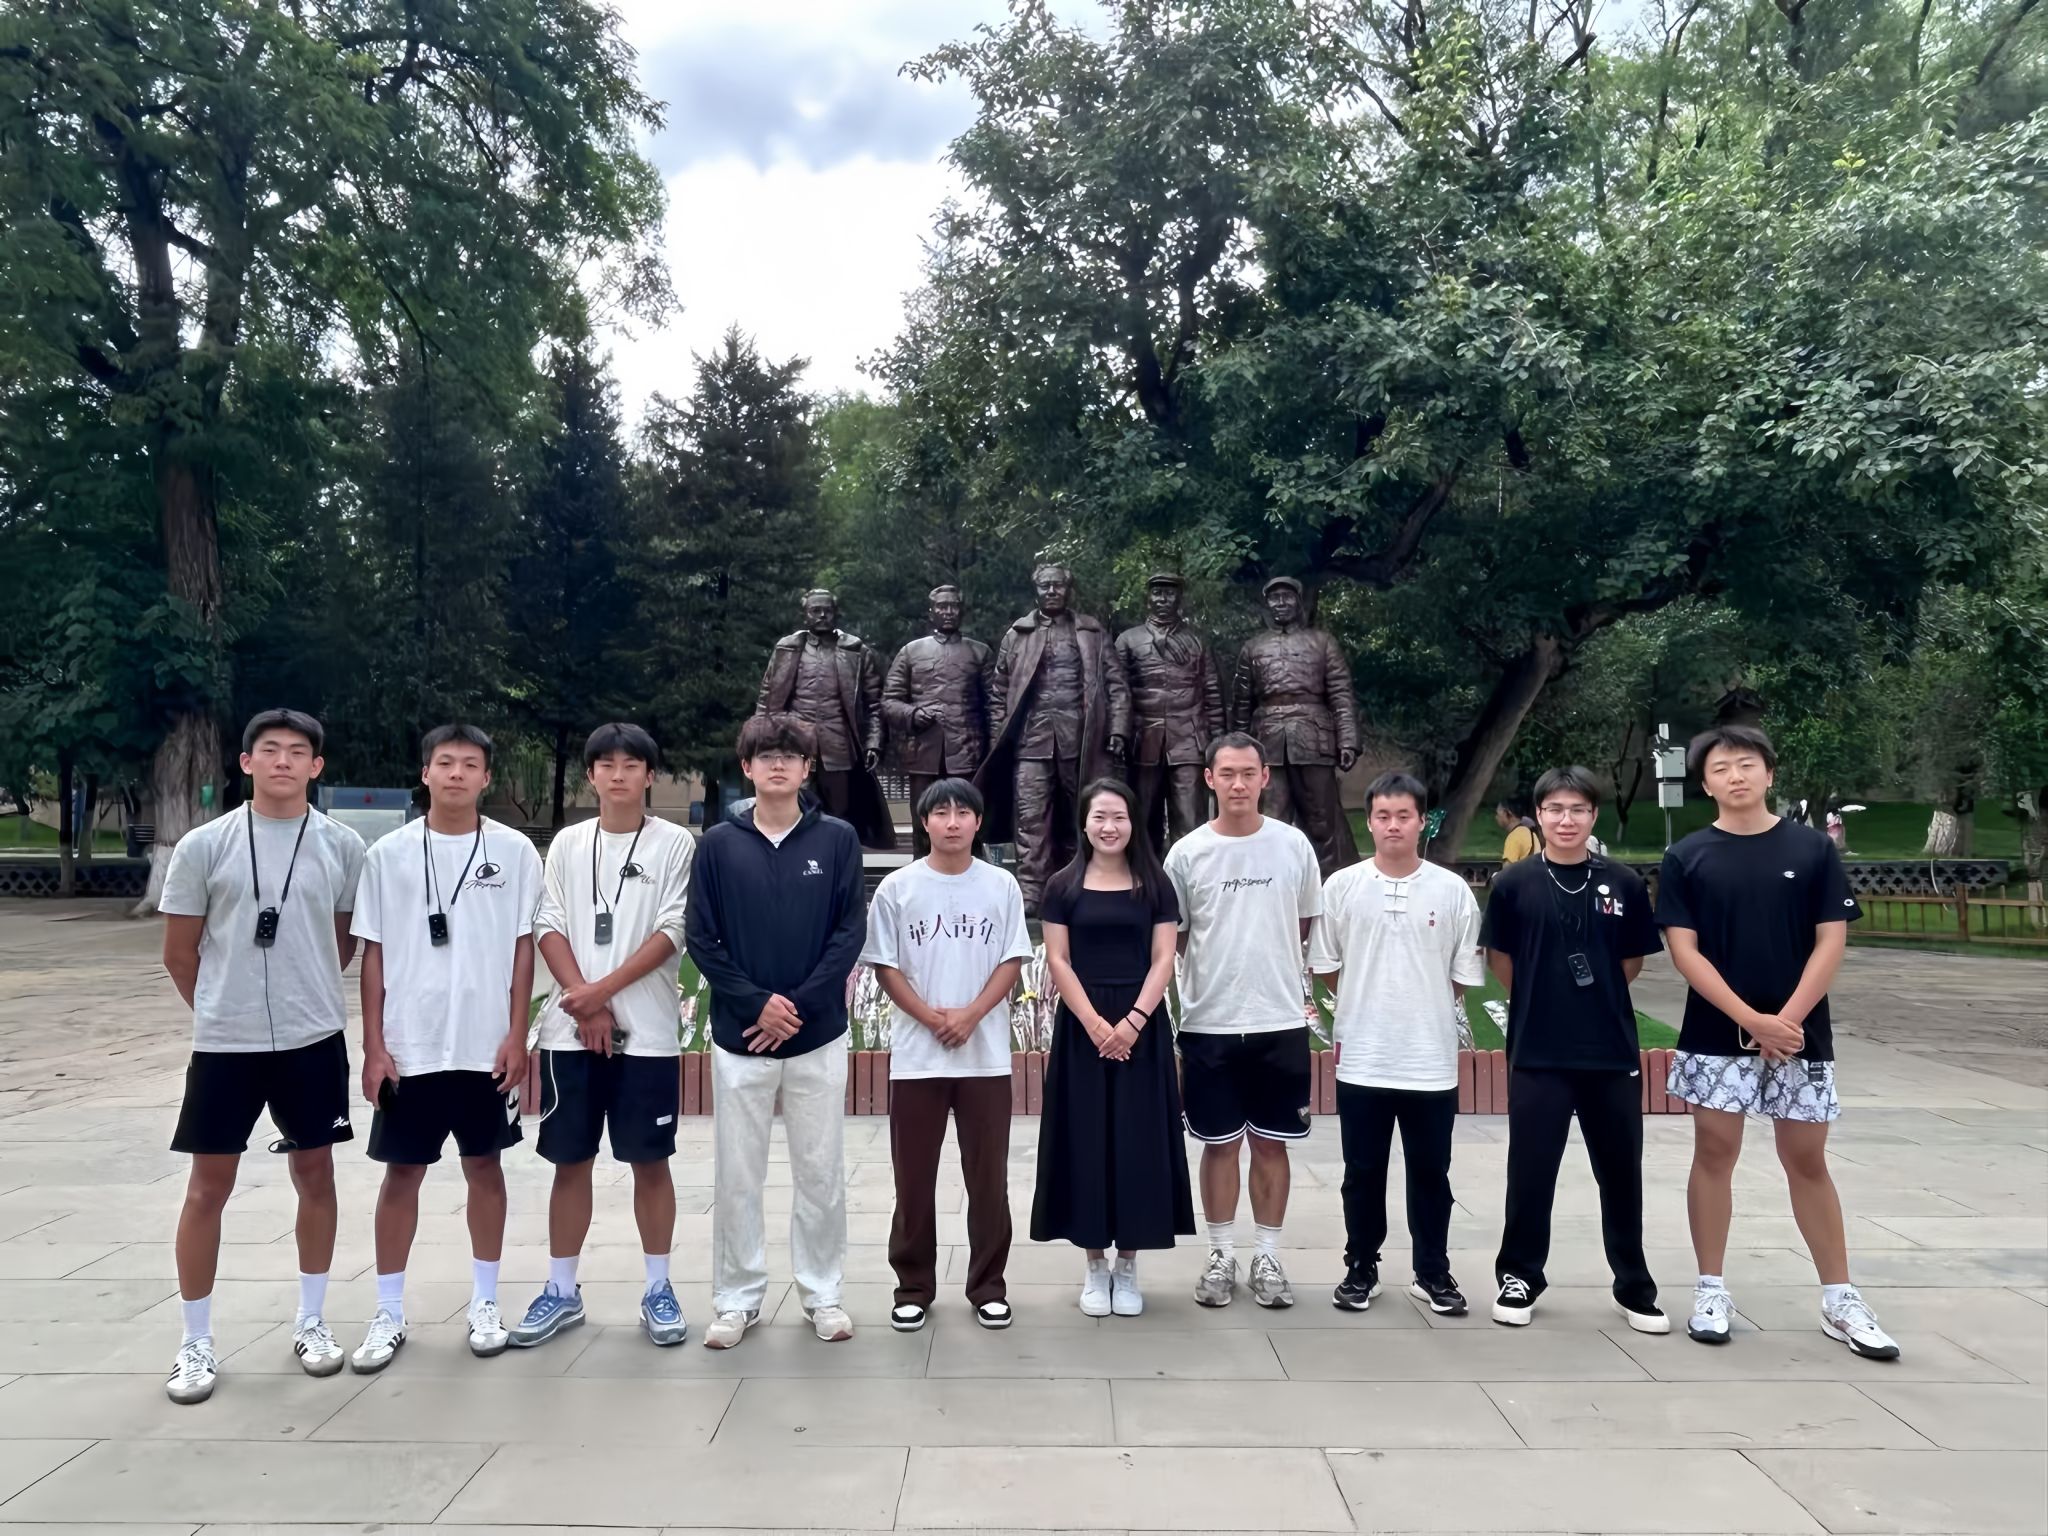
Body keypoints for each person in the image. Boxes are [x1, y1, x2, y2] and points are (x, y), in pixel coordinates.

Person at [1659, 724, 1899, 1359]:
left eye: (1746, 764)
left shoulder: (1812, 849)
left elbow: (1831, 939)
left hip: (1801, 1034)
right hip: (1716, 1032)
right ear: (1705, 783)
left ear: (1769, 772)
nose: (1735, 776)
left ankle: (1840, 1297)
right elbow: (1684, 950)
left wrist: (1784, 1021)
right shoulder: (1688, 856)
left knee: (1807, 1158)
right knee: (1715, 1152)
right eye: (1720, 769)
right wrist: (1750, 1019)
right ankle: (1711, 1290)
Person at [159, 709, 368, 1405]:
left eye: (298, 751)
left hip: (313, 1038)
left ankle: (311, 1320)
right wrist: (225, 1008)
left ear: (316, 766)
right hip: (227, 1043)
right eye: (269, 750)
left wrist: (302, 992)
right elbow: (180, 953)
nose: (283, 761)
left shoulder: (341, 846)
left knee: (316, 1174)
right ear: (245, 763)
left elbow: (343, 942)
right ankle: (195, 1341)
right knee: (207, 1187)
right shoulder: (205, 845)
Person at [348, 724, 542, 1373]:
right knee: (401, 1174)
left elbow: (523, 949)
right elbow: (373, 955)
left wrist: (516, 1034)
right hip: (412, 1046)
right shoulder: (389, 855)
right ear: (425, 773)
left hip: (484, 1047)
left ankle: (485, 1303)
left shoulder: (514, 852)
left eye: (470, 764)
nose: (457, 773)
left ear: (487, 777)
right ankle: (388, 1311)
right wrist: (374, 1047)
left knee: (485, 1167)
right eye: (445, 762)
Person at [509, 724, 694, 1351]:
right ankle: (561, 1290)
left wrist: (602, 994)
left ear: (650, 775)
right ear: (590, 776)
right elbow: (548, 922)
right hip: (570, 1035)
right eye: (606, 765)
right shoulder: (567, 843)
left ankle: (659, 1288)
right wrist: (583, 1001)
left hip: (647, 1036)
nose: (618, 775)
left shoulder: (675, 844)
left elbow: (673, 928)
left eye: (631, 764)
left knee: (650, 1162)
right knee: (570, 1162)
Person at [685, 713, 865, 1348]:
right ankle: (737, 1299)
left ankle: (823, 1294)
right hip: (741, 1037)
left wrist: (796, 1009)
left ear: (808, 768)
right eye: (766, 755)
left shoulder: (837, 839)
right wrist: (757, 1004)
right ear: (747, 767)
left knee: (820, 1171)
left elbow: (849, 932)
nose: (778, 764)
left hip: (818, 1034)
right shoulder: (718, 844)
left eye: (790, 755)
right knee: (738, 1175)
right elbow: (701, 937)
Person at [1481, 766, 1667, 1334]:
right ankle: (1520, 1275)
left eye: (1578, 809)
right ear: (1539, 815)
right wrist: (1547, 998)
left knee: (1621, 1172)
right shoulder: (1514, 884)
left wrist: (1592, 998)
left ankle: (1633, 1284)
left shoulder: (1624, 883)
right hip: (1538, 1051)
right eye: (1556, 809)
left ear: (1593, 815)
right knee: (1531, 1172)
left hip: (1610, 1051)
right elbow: (1501, 961)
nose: (1567, 820)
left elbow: (1631, 961)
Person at [861, 778, 1034, 1331]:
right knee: (913, 1179)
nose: (953, 822)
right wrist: (932, 1017)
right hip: (918, 1058)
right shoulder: (898, 888)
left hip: (984, 1058)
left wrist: (971, 1014)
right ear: (925, 822)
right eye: (941, 813)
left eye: (963, 812)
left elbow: (1012, 959)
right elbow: (885, 965)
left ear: (979, 823)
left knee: (988, 1180)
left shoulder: (1001, 885)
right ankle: (913, 1287)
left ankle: (988, 1286)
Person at [1309, 772, 1484, 1316]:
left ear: (1422, 821)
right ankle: (1361, 1267)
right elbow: (1328, 967)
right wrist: (1371, 1000)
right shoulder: (1342, 887)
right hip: (1363, 1057)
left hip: (1430, 1061)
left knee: (1431, 1174)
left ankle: (1432, 1272)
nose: (1393, 826)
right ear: (1369, 822)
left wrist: (1416, 1002)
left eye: (1403, 816)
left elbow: (1459, 976)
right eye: (1382, 816)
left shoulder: (1451, 891)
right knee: (1362, 1173)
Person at [1164, 733, 1323, 1308]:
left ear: (1265, 777)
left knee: (1272, 1144)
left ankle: (1268, 1256)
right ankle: (1220, 1255)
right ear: (1209, 779)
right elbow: (1177, 937)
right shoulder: (1187, 854)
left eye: (1248, 773)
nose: (1238, 784)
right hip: (1209, 1022)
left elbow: (1303, 923)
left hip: (1279, 1020)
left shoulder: (1292, 846)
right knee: (1219, 1144)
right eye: (1226, 773)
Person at [1032, 777, 1195, 1316]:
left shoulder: (1155, 883)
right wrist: (1096, 1025)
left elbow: (1163, 958)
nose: (1109, 826)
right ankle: (1094, 1264)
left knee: (1137, 1141)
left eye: (1119, 816)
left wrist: (1133, 1022)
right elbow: (1058, 960)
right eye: (1099, 816)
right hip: (1082, 1029)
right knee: (1086, 1141)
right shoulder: (1062, 885)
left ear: (1133, 822)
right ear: (1084, 823)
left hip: (1141, 1028)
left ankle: (1128, 1265)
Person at [977, 562, 1131, 913]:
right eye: (1045, 586)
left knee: (1081, 814)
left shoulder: (1091, 632)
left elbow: (1117, 685)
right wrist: (1000, 738)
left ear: (1068, 589)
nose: (1051, 591)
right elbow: (999, 693)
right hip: (1031, 740)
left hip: (1081, 739)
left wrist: (1118, 729)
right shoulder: (1017, 635)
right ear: (1036, 591)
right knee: (1031, 815)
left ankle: (1081, 881)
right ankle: (1032, 889)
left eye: (1058, 585)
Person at [1229, 577, 1360, 876]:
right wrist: (1237, 750)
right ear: (1267, 604)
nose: (1281, 603)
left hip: (1314, 738)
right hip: (1267, 739)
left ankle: (1331, 881)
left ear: (1299, 603)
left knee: (1321, 818)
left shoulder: (1323, 642)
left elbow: (1341, 694)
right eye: (1274, 598)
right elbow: (1242, 704)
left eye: (1287, 597)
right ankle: (1267, 879)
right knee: (1270, 815)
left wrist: (1348, 741)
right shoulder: (1253, 648)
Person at [755, 587, 894, 849]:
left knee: (840, 816)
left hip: (839, 746)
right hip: (795, 744)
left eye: (827, 611)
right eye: (815, 611)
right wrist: (760, 739)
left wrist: (874, 742)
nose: (821, 616)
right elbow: (767, 698)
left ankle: (837, 859)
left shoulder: (856, 651)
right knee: (793, 810)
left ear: (836, 613)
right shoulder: (787, 649)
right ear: (805, 615)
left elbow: (874, 704)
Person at [882, 585, 996, 858]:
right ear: (931, 612)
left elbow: (994, 705)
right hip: (923, 754)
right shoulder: (911, 652)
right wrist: (913, 714)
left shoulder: (979, 652)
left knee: (969, 819)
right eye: (942, 606)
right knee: (923, 821)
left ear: (962, 611)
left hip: (968, 753)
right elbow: (889, 701)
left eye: (954, 606)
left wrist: (993, 750)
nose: (948, 611)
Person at [1115, 570, 1224, 854]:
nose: (1163, 599)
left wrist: (1218, 740)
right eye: (1157, 593)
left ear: (1179, 599)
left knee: (1190, 818)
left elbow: (1212, 692)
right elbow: (1117, 692)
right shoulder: (1128, 640)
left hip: (1189, 738)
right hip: (1143, 740)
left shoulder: (1197, 641)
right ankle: (1143, 876)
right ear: (1148, 599)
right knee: (1141, 817)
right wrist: (1118, 734)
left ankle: (1192, 873)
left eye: (1170, 593)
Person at [1495, 800, 1540, 864]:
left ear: (1506, 813)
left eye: (1498, 814)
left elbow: (1507, 868)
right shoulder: (1532, 834)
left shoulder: (1514, 837)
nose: (1496, 817)